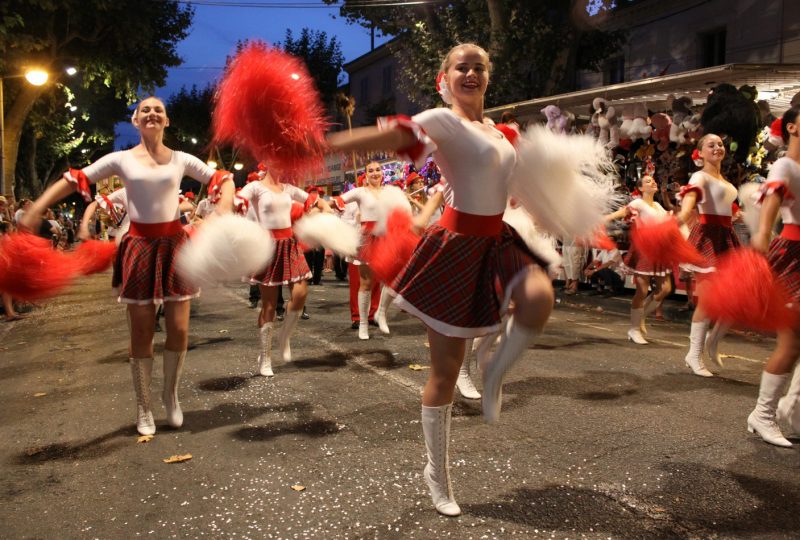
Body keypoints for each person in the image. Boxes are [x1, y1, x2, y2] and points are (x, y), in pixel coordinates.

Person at [328, 43, 554, 517]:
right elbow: (387, 138)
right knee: (444, 374)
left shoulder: (502, 132)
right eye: (461, 67)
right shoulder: (442, 120)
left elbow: (515, 188)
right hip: (455, 246)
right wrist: (324, 146)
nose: (470, 74)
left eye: (479, 67)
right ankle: (437, 472)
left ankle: (492, 376)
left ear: (488, 76)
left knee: (538, 299)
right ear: (444, 76)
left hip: (498, 240)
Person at [20, 96, 234, 436]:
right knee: (142, 331)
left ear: (166, 121)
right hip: (139, 246)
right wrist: (38, 207)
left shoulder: (181, 159)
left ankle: (171, 395)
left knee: (179, 330)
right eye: (144, 110)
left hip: (176, 245)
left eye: (158, 110)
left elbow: (222, 180)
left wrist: (221, 209)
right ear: (135, 121)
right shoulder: (120, 159)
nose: (151, 113)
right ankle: (144, 406)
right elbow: (75, 179)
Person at [236, 169, 330, 377]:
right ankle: (265, 356)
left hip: (290, 245)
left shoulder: (288, 188)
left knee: (300, 294)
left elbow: (316, 201)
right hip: (267, 246)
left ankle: (284, 338)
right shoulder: (255, 187)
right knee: (269, 305)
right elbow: (238, 200)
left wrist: (326, 211)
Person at [747, 105, 800, 447]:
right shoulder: (785, 164)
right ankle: (763, 415)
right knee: (792, 341)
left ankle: (790, 415)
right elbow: (771, 204)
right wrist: (762, 237)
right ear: (793, 128)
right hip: (793, 256)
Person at [677, 134, 739, 376]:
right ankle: (694, 354)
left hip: (727, 237)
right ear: (699, 153)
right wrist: (677, 221)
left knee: (734, 300)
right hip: (707, 237)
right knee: (708, 300)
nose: (717, 147)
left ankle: (712, 343)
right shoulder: (699, 176)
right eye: (711, 145)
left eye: (721, 144)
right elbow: (688, 206)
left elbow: (730, 211)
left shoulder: (725, 181)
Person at [604, 175, 672, 344]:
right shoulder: (637, 203)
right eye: (648, 181)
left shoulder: (657, 206)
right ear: (641, 188)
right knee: (642, 290)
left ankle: (640, 317)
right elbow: (622, 212)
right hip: (644, 249)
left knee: (665, 289)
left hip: (660, 249)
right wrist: (603, 219)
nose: (653, 182)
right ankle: (634, 329)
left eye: (654, 180)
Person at [331, 161, 394, 339]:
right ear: (366, 174)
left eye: (378, 170)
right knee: (365, 283)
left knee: (392, 279)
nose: (375, 173)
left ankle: (381, 312)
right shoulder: (360, 192)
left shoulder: (390, 193)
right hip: (367, 238)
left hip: (386, 237)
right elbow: (340, 200)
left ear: (382, 173)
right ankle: (363, 324)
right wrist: (326, 205)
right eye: (371, 170)